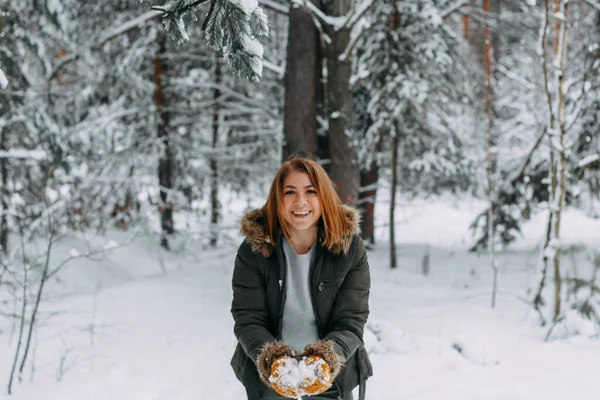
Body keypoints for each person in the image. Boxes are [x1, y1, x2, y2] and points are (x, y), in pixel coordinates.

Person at [230, 157, 373, 400]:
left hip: (332, 376)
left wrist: (325, 360)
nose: (300, 202)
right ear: (278, 198)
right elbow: (248, 318)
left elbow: (351, 320)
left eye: (310, 191)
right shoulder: (254, 249)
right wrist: (274, 361)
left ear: (323, 197)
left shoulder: (349, 248)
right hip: (270, 378)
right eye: (290, 192)